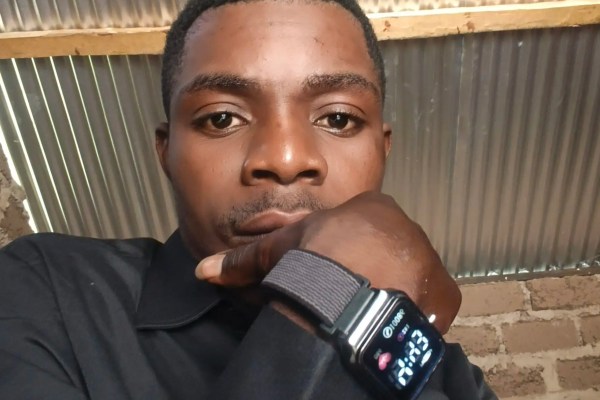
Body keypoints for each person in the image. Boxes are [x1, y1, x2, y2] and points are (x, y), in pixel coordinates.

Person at [0, 0, 497, 398]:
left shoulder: (445, 375)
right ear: (167, 152)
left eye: (338, 118)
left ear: (382, 152)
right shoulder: (46, 290)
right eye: (221, 118)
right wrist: (325, 295)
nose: (284, 158)